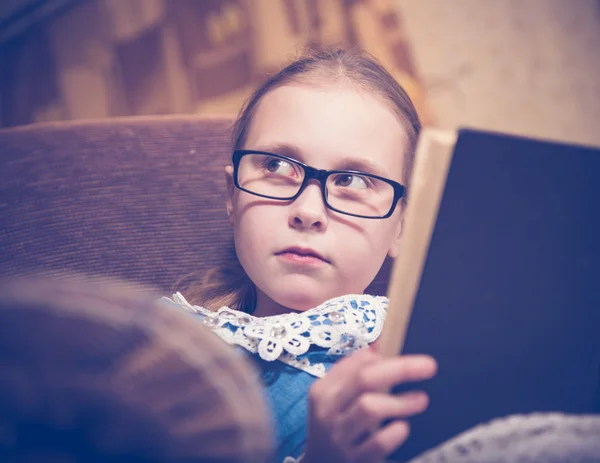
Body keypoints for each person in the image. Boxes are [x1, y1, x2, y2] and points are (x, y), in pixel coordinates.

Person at [163, 48, 438, 463]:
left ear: (401, 226)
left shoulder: (427, 371)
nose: (308, 212)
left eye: (353, 180)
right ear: (232, 196)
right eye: (276, 166)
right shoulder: (159, 355)